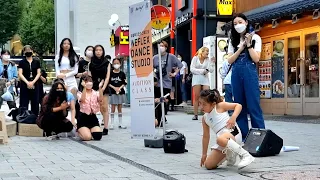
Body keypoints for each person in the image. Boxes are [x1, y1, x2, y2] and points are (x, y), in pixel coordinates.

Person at [227, 13, 265, 140]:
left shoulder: (255, 38)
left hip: (250, 72)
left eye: (240, 22)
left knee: (254, 105)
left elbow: (256, 58)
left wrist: (248, 44)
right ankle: (244, 136)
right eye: (235, 23)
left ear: (246, 22)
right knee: (239, 105)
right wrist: (240, 47)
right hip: (236, 73)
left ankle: (259, 136)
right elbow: (230, 60)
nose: (238, 25)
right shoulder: (232, 39)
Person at [199, 89, 254, 170]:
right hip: (223, 141)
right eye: (200, 103)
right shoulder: (204, 118)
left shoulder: (220, 106)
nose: (201, 107)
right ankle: (230, 154)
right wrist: (204, 154)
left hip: (233, 133)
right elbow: (206, 136)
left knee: (220, 139)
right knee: (208, 165)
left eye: (204, 104)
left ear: (213, 104)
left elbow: (238, 106)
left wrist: (233, 117)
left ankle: (246, 155)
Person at [153, 41, 183, 116]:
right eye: (160, 46)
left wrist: (174, 74)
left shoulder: (171, 56)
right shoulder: (155, 58)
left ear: (166, 48)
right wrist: (154, 79)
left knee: (164, 100)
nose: (161, 47)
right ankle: (159, 117)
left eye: (163, 46)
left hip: (167, 82)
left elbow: (180, 65)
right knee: (157, 100)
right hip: (157, 83)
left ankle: (163, 115)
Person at [89, 45, 111, 135]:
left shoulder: (107, 63)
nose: (98, 52)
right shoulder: (91, 63)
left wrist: (103, 87)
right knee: (92, 106)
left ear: (103, 51)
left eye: (100, 50)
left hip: (103, 86)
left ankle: (105, 127)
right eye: (96, 50)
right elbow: (89, 76)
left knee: (104, 107)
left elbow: (107, 76)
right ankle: (94, 125)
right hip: (93, 86)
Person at [190, 47, 215, 120]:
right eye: (206, 51)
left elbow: (211, 70)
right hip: (197, 78)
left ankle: (207, 113)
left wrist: (212, 63)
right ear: (202, 52)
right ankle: (195, 114)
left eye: (208, 51)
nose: (207, 53)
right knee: (197, 96)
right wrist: (202, 71)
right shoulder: (195, 58)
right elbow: (192, 69)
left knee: (207, 95)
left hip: (205, 78)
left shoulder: (208, 59)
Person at [77, 75, 103, 141]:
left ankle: (89, 130)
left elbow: (100, 99)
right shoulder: (79, 93)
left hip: (92, 117)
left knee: (98, 136)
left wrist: (100, 88)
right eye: (87, 81)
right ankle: (80, 131)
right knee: (87, 138)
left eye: (90, 81)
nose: (89, 83)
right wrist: (84, 88)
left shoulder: (95, 93)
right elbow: (82, 100)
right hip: (83, 117)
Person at [18, 45, 41, 116]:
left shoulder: (36, 61)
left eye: (29, 51)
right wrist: (27, 83)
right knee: (24, 101)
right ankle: (23, 116)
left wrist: (33, 82)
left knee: (35, 101)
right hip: (25, 83)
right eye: (26, 51)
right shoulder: (22, 62)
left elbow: (38, 73)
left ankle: (34, 117)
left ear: (32, 51)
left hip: (35, 83)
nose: (28, 52)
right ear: (24, 52)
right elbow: (20, 74)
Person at [108, 58, 127, 129]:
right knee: (112, 107)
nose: (116, 65)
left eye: (117, 63)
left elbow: (124, 82)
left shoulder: (122, 73)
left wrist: (119, 88)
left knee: (120, 107)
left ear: (120, 64)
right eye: (115, 63)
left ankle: (120, 123)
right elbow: (108, 83)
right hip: (112, 92)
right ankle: (112, 123)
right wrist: (114, 88)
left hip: (120, 92)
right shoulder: (110, 73)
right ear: (112, 64)